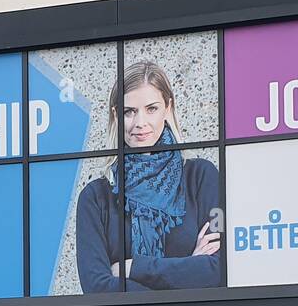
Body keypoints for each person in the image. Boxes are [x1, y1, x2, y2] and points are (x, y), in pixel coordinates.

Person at [75, 61, 222, 292]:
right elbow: (97, 287)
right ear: (116, 115)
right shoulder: (95, 198)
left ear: (168, 108)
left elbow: (217, 269)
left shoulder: (202, 178)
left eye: (151, 109)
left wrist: (133, 268)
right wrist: (188, 269)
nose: (140, 123)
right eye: (129, 112)